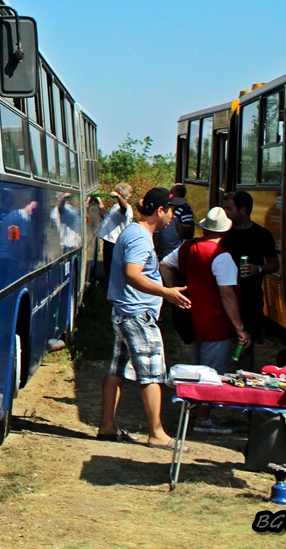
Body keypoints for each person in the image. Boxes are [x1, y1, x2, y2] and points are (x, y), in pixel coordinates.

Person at [97, 187, 191, 449]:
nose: (173, 216)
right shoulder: (140, 237)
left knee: (117, 369)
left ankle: (107, 426)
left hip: (125, 311)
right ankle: (157, 433)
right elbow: (133, 274)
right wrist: (166, 292)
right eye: (171, 210)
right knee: (151, 373)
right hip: (137, 314)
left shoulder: (133, 231)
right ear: (160, 211)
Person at [160, 206, 251, 434]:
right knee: (213, 372)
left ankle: (193, 409)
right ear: (226, 231)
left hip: (192, 317)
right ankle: (203, 419)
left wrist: (174, 292)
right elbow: (227, 294)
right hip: (216, 323)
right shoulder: (222, 257)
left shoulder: (188, 246)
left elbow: (164, 265)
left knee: (197, 367)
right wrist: (239, 327)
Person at [219, 190, 279, 368]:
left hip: (251, 298)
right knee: (225, 343)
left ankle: (243, 381)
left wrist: (258, 268)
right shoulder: (224, 234)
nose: (225, 213)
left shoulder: (262, 234)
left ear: (243, 210)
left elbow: (275, 264)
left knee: (247, 343)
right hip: (226, 296)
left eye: (229, 209)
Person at [95, 183, 133, 283]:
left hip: (115, 243)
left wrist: (117, 197)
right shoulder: (115, 207)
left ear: (120, 193)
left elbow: (123, 207)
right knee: (108, 268)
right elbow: (105, 215)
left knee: (113, 270)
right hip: (109, 242)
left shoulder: (126, 208)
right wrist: (98, 200)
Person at [154, 184, 195, 260]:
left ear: (177, 194)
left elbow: (189, 226)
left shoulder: (184, 208)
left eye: (172, 192)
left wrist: (174, 225)